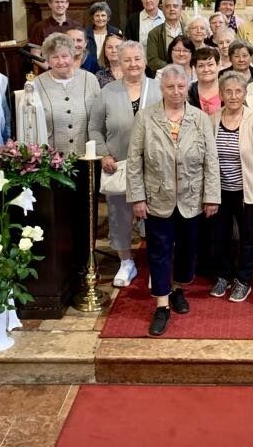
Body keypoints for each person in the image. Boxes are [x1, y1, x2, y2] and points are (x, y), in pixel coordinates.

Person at [126, 64, 220, 337]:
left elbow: (211, 160)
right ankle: (162, 304)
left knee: (188, 249)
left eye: (181, 86)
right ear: (161, 88)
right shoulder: (145, 118)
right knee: (159, 250)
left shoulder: (200, 118)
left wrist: (211, 196)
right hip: (157, 197)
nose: (176, 92)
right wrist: (138, 197)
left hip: (192, 197)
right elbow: (134, 160)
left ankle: (178, 288)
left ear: (187, 87)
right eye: (170, 87)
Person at [89, 41, 162, 289]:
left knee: (156, 215)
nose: (133, 64)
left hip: (154, 166)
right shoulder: (108, 92)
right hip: (118, 165)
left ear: (145, 61)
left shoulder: (158, 88)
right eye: (127, 59)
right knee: (119, 215)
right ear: (118, 62)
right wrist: (104, 154)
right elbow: (94, 128)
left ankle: (157, 265)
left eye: (137, 58)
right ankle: (126, 261)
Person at [208, 71, 253, 303]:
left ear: (245, 94)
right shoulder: (212, 119)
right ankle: (224, 276)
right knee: (220, 237)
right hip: (219, 191)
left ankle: (243, 280)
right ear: (221, 94)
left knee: (248, 238)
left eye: (238, 91)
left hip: (247, 192)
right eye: (228, 91)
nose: (233, 96)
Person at [26, 33, 101, 156]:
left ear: (72, 56)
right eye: (55, 57)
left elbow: (100, 118)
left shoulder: (90, 79)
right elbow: (30, 126)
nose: (61, 62)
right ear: (47, 60)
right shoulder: (36, 85)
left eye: (65, 56)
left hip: (88, 157)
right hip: (51, 160)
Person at [146, 0, 186, 74]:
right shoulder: (154, 33)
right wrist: (171, 68)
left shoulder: (188, 30)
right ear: (163, 10)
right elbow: (152, 60)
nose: (172, 9)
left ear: (181, 9)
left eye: (175, 6)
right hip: (164, 74)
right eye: (168, 6)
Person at [84, 1, 122, 72]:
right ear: (92, 18)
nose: (100, 18)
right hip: (90, 69)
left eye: (103, 15)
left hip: (111, 69)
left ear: (108, 18)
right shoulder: (85, 33)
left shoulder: (116, 32)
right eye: (97, 15)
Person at [188, 46, 222, 115]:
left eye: (210, 65)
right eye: (201, 66)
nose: (206, 69)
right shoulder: (188, 91)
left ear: (218, 65)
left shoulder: (228, 89)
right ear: (195, 68)